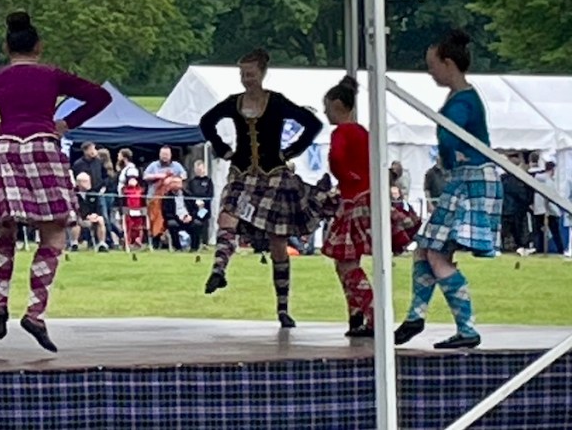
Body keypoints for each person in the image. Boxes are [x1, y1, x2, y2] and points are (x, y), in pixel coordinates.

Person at [0, 11, 111, 352]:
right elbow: (100, 97)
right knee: (54, 229)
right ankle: (34, 312)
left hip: (6, 148)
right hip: (43, 145)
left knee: (5, 229)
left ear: (6, 47)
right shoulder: (51, 75)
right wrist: (66, 122)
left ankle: (0, 303)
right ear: (39, 46)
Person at [198, 48, 335, 328]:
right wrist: (224, 149)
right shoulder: (233, 103)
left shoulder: (277, 102)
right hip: (242, 173)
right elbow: (206, 122)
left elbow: (312, 124)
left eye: (250, 74)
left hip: (274, 175)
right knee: (227, 217)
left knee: (278, 241)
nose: (246, 79)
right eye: (242, 75)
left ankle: (283, 308)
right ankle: (219, 270)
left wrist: (292, 151)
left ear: (262, 74)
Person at [395, 30, 502, 350]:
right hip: (464, 179)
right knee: (425, 248)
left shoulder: (463, 101)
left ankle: (466, 328)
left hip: (471, 181)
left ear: (448, 63)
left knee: (437, 253)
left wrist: (451, 153)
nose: (430, 71)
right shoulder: (463, 98)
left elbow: (451, 139)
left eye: (433, 64)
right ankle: (416, 316)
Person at [322, 76, 422, 337]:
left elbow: (337, 159)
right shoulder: (364, 133)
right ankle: (358, 315)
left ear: (337, 105)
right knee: (345, 260)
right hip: (370, 196)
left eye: (327, 108)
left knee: (346, 262)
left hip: (355, 199)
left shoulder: (341, 132)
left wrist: (344, 177)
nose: (325, 113)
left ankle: (372, 313)